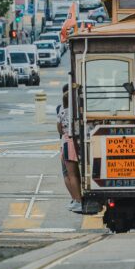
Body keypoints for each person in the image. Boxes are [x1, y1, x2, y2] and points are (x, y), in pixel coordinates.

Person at [57, 85, 83, 213]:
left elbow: (59, 129)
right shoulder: (79, 111)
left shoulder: (61, 111)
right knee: (77, 173)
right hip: (78, 141)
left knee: (69, 174)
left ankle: (77, 200)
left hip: (67, 142)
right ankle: (78, 199)